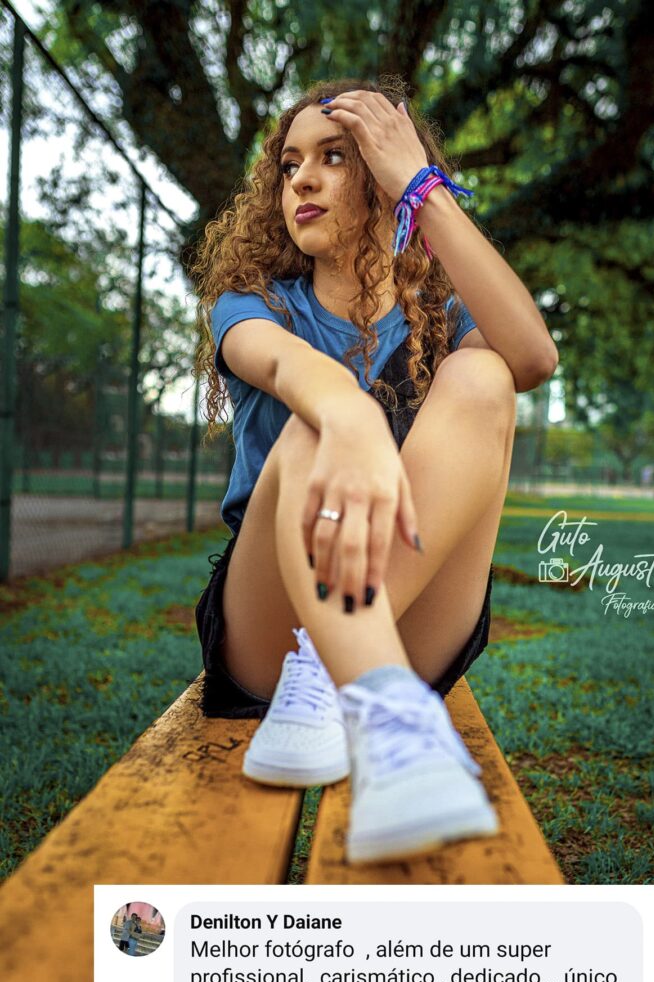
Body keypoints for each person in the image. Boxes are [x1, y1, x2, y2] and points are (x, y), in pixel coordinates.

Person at [192, 77, 558, 865]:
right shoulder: (253, 301)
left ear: (384, 175)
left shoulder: (441, 317)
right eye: (289, 165)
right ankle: (385, 711)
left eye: (334, 157)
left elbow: (533, 356)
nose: (303, 181)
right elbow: (292, 372)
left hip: (410, 610)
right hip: (268, 622)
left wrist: (421, 186)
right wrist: (353, 418)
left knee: (486, 377)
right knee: (307, 430)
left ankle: (351, 682)